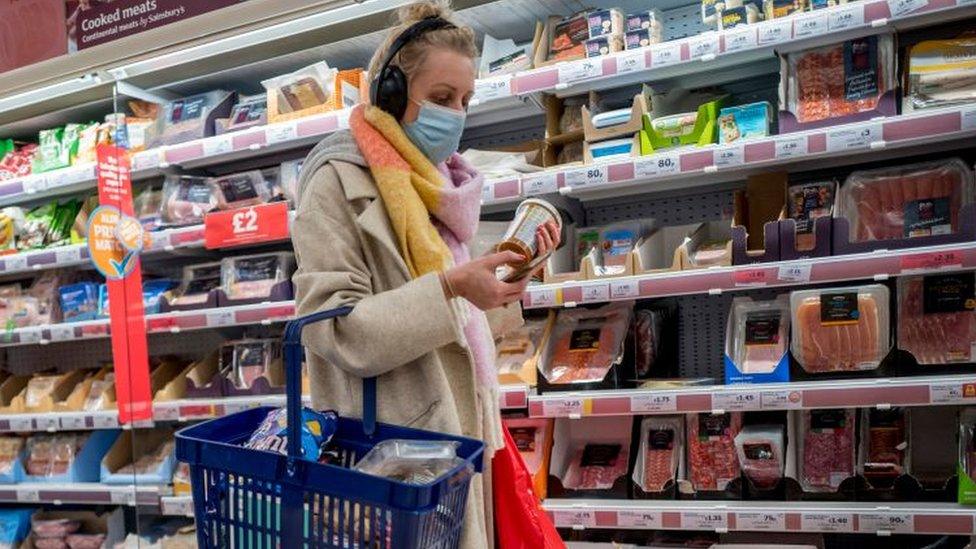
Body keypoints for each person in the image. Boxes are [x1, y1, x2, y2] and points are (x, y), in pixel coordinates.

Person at [290, 1, 560, 547]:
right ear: (389, 93)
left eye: (464, 100)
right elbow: (331, 328)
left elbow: (462, 320)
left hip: (468, 427)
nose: (456, 115)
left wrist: (507, 282)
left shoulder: (438, 182)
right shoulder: (336, 182)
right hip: (394, 452)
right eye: (441, 99)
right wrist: (453, 288)